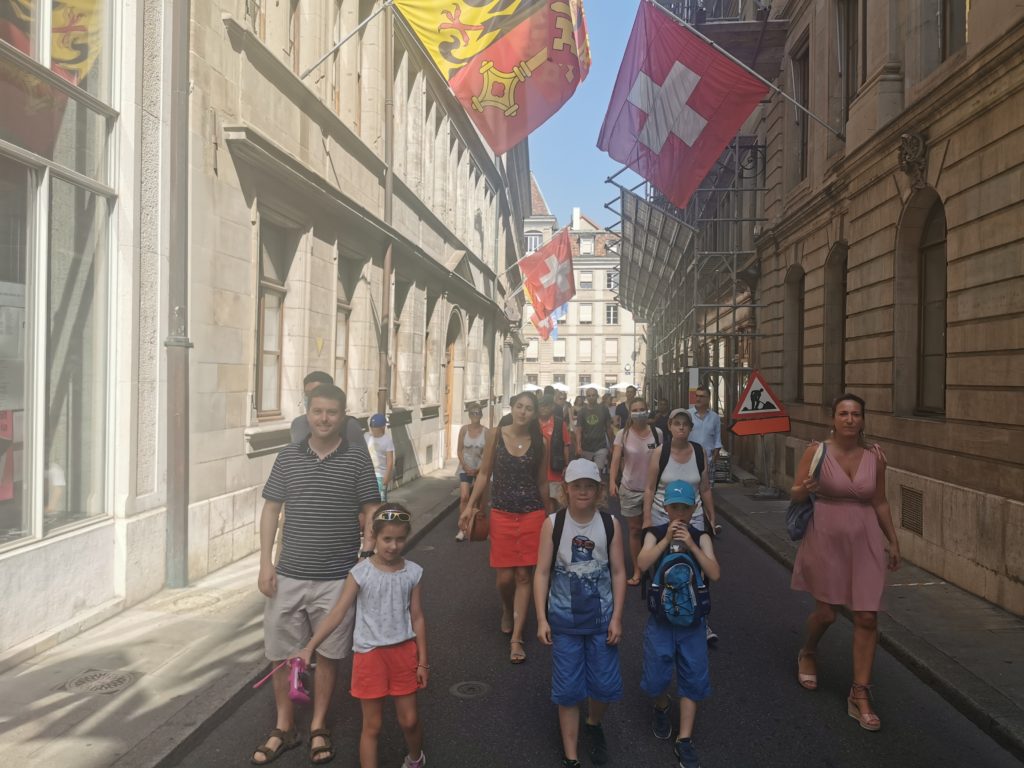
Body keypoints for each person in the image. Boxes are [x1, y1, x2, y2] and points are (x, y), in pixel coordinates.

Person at [253, 383, 381, 765]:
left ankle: (318, 726)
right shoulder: (287, 457)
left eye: (332, 412)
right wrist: (264, 562)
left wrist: (368, 555)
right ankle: (284, 726)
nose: (324, 419)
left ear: (343, 416)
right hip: (288, 574)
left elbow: (372, 509)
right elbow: (271, 510)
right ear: (307, 413)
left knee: (328, 654)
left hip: (337, 578)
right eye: (317, 411)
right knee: (281, 654)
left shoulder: (358, 459)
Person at [791, 393, 900, 732]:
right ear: (833, 419)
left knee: (867, 617)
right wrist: (804, 488)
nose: (850, 419)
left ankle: (859, 693)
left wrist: (893, 540)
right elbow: (794, 493)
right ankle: (808, 651)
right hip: (825, 537)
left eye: (856, 414)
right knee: (827, 612)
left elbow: (879, 501)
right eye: (843, 413)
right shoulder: (816, 452)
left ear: (863, 420)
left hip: (865, 539)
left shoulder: (875, 457)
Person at [297, 503, 428, 768]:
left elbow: (417, 617)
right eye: (387, 539)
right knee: (372, 726)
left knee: (410, 720)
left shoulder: (412, 572)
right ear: (374, 536)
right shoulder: (360, 573)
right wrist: (310, 646)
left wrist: (423, 661)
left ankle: (415, 759)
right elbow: (337, 613)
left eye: (400, 539)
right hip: (369, 657)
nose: (393, 545)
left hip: (404, 653)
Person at [535, 459, 626, 768]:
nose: (583, 492)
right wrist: (541, 618)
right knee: (568, 689)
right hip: (565, 623)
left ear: (598, 490)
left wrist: (617, 618)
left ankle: (593, 723)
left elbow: (618, 572)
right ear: (566, 490)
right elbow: (542, 573)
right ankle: (571, 756)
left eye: (589, 486)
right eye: (577, 486)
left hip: (602, 621)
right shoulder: (553, 523)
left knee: (602, 685)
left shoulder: (610, 524)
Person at [460, 391, 550, 663]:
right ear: (511, 408)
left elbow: (542, 482)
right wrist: (470, 505)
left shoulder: (540, 442)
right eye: (519, 407)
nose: (523, 412)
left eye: (529, 409)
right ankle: (507, 607)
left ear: (534, 414)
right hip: (501, 512)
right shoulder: (496, 435)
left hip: (532, 512)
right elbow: (485, 472)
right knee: (505, 579)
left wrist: (551, 516)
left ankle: (517, 638)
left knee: (524, 576)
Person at [637, 481, 720, 768]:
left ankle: (684, 738)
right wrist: (664, 541)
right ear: (665, 508)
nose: (680, 514)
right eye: (674, 508)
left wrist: (692, 546)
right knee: (657, 672)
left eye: (685, 507)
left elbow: (714, 573)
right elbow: (643, 562)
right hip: (661, 620)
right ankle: (661, 705)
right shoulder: (655, 533)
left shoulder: (701, 537)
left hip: (693, 623)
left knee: (693, 675)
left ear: (694, 508)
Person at [643, 408, 721, 645]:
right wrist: (647, 519)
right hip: (661, 516)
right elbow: (649, 487)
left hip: (693, 516)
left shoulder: (699, 452)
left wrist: (711, 517)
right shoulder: (660, 452)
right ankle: (662, 609)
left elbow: (705, 488)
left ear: (690, 428)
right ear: (670, 426)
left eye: (685, 424)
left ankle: (700, 616)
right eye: (676, 423)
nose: (681, 428)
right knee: (661, 564)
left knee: (697, 566)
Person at [609, 397, 663, 586]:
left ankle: (656, 568)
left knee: (655, 530)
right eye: (635, 409)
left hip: (654, 491)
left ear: (648, 411)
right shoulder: (622, 434)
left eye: (642, 408)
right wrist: (612, 482)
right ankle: (638, 570)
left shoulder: (657, 434)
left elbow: (663, 460)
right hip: (630, 489)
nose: (639, 412)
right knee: (634, 530)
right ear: (630, 413)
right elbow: (615, 459)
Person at [291, 370, 367, 454]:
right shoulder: (297, 424)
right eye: (307, 393)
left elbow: (361, 459)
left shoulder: (349, 425)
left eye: (317, 392)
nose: (311, 397)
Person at [689, 387, 724, 531]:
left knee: (707, 493)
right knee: (692, 493)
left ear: (708, 398)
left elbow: (717, 441)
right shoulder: (688, 415)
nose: (698, 399)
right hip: (690, 461)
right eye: (697, 396)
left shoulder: (715, 417)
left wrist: (713, 461)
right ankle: (691, 521)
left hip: (708, 462)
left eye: (702, 396)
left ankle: (711, 523)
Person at [455, 405, 487, 541]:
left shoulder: (486, 432)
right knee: (464, 497)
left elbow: (487, 454)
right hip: (465, 467)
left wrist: (479, 468)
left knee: (477, 501)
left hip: (479, 469)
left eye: (478, 413)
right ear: (469, 415)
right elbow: (459, 450)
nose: (475, 415)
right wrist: (465, 465)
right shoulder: (464, 430)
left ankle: (474, 525)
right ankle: (462, 528)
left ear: (481, 415)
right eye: (473, 413)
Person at [539, 395, 572, 514]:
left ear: (552, 407)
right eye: (541, 406)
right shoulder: (533, 423)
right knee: (541, 501)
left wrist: (566, 465)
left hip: (554, 469)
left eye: (546, 406)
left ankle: (551, 526)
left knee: (553, 501)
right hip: (537, 470)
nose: (543, 409)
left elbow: (566, 445)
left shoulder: (559, 423)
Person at [575, 388, 615, 479]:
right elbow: (579, 430)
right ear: (586, 397)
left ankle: (598, 491)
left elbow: (608, 428)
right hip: (586, 447)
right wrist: (578, 446)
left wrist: (612, 445)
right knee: (587, 473)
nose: (591, 397)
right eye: (589, 395)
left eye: (593, 395)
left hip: (601, 445)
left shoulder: (603, 409)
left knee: (598, 471)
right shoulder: (582, 412)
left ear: (597, 396)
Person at [365, 413, 395, 501]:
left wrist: (385, 480)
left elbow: (390, 462)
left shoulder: (387, 440)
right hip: (368, 475)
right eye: (371, 428)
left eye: (375, 429)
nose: (373, 431)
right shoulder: (366, 436)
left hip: (380, 476)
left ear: (382, 427)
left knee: (379, 503)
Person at [553, 389, 577, 456]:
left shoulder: (567, 405)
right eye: (560, 398)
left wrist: (573, 429)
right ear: (557, 399)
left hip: (566, 427)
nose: (562, 400)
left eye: (564, 398)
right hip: (556, 427)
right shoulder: (554, 406)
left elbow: (570, 418)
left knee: (566, 445)